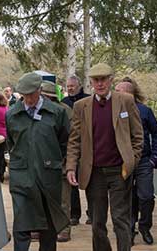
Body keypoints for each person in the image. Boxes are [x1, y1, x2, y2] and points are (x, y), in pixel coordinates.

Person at [65, 63, 143, 251]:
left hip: (119, 170)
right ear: (91, 82)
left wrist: (132, 161)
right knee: (97, 222)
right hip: (94, 172)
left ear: (110, 80)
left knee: (120, 219)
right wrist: (70, 166)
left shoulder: (125, 101)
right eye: (96, 80)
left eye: (103, 79)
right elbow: (74, 140)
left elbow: (138, 136)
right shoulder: (81, 106)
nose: (99, 84)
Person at [6, 73, 70, 251]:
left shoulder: (57, 112)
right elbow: (11, 142)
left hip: (48, 175)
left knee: (48, 225)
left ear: (40, 90)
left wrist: (53, 159)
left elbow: (64, 140)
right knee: (21, 224)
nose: (28, 99)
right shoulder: (12, 115)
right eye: (24, 95)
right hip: (21, 176)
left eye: (32, 94)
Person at [115, 78, 157, 245]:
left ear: (129, 94)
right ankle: (129, 230)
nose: (115, 94)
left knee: (146, 196)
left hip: (144, 161)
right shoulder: (114, 110)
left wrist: (154, 158)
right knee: (125, 197)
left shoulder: (144, 111)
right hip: (123, 161)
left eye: (118, 91)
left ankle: (145, 226)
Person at [39, 81, 74, 243]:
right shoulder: (38, 110)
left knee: (63, 199)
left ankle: (64, 228)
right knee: (41, 197)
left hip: (62, 161)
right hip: (42, 162)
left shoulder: (65, 112)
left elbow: (73, 139)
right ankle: (43, 227)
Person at [62, 74, 92, 225]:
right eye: (68, 87)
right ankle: (74, 215)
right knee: (71, 181)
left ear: (79, 86)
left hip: (87, 147)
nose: (70, 89)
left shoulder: (88, 100)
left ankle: (92, 213)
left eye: (72, 86)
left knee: (89, 181)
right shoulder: (64, 102)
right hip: (71, 147)